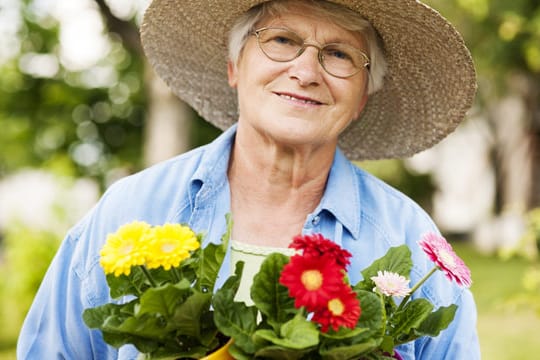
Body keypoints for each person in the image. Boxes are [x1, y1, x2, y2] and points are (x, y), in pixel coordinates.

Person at [17, 0, 480, 359]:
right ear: (234, 67)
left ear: (361, 98)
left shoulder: (411, 245)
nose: (305, 71)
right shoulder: (131, 210)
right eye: (281, 40)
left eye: (338, 54)